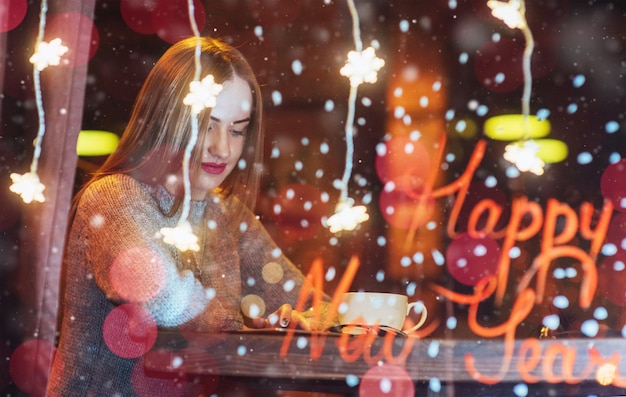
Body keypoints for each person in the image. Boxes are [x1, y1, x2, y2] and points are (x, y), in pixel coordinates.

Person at [47, 36, 333, 397]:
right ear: (168, 119)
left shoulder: (226, 213)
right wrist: (244, 324)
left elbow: (313, 306)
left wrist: (304, 320)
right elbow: (162, 295)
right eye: (206, 124)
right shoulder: (113, 198)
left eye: (237, 130)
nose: (222, 148)